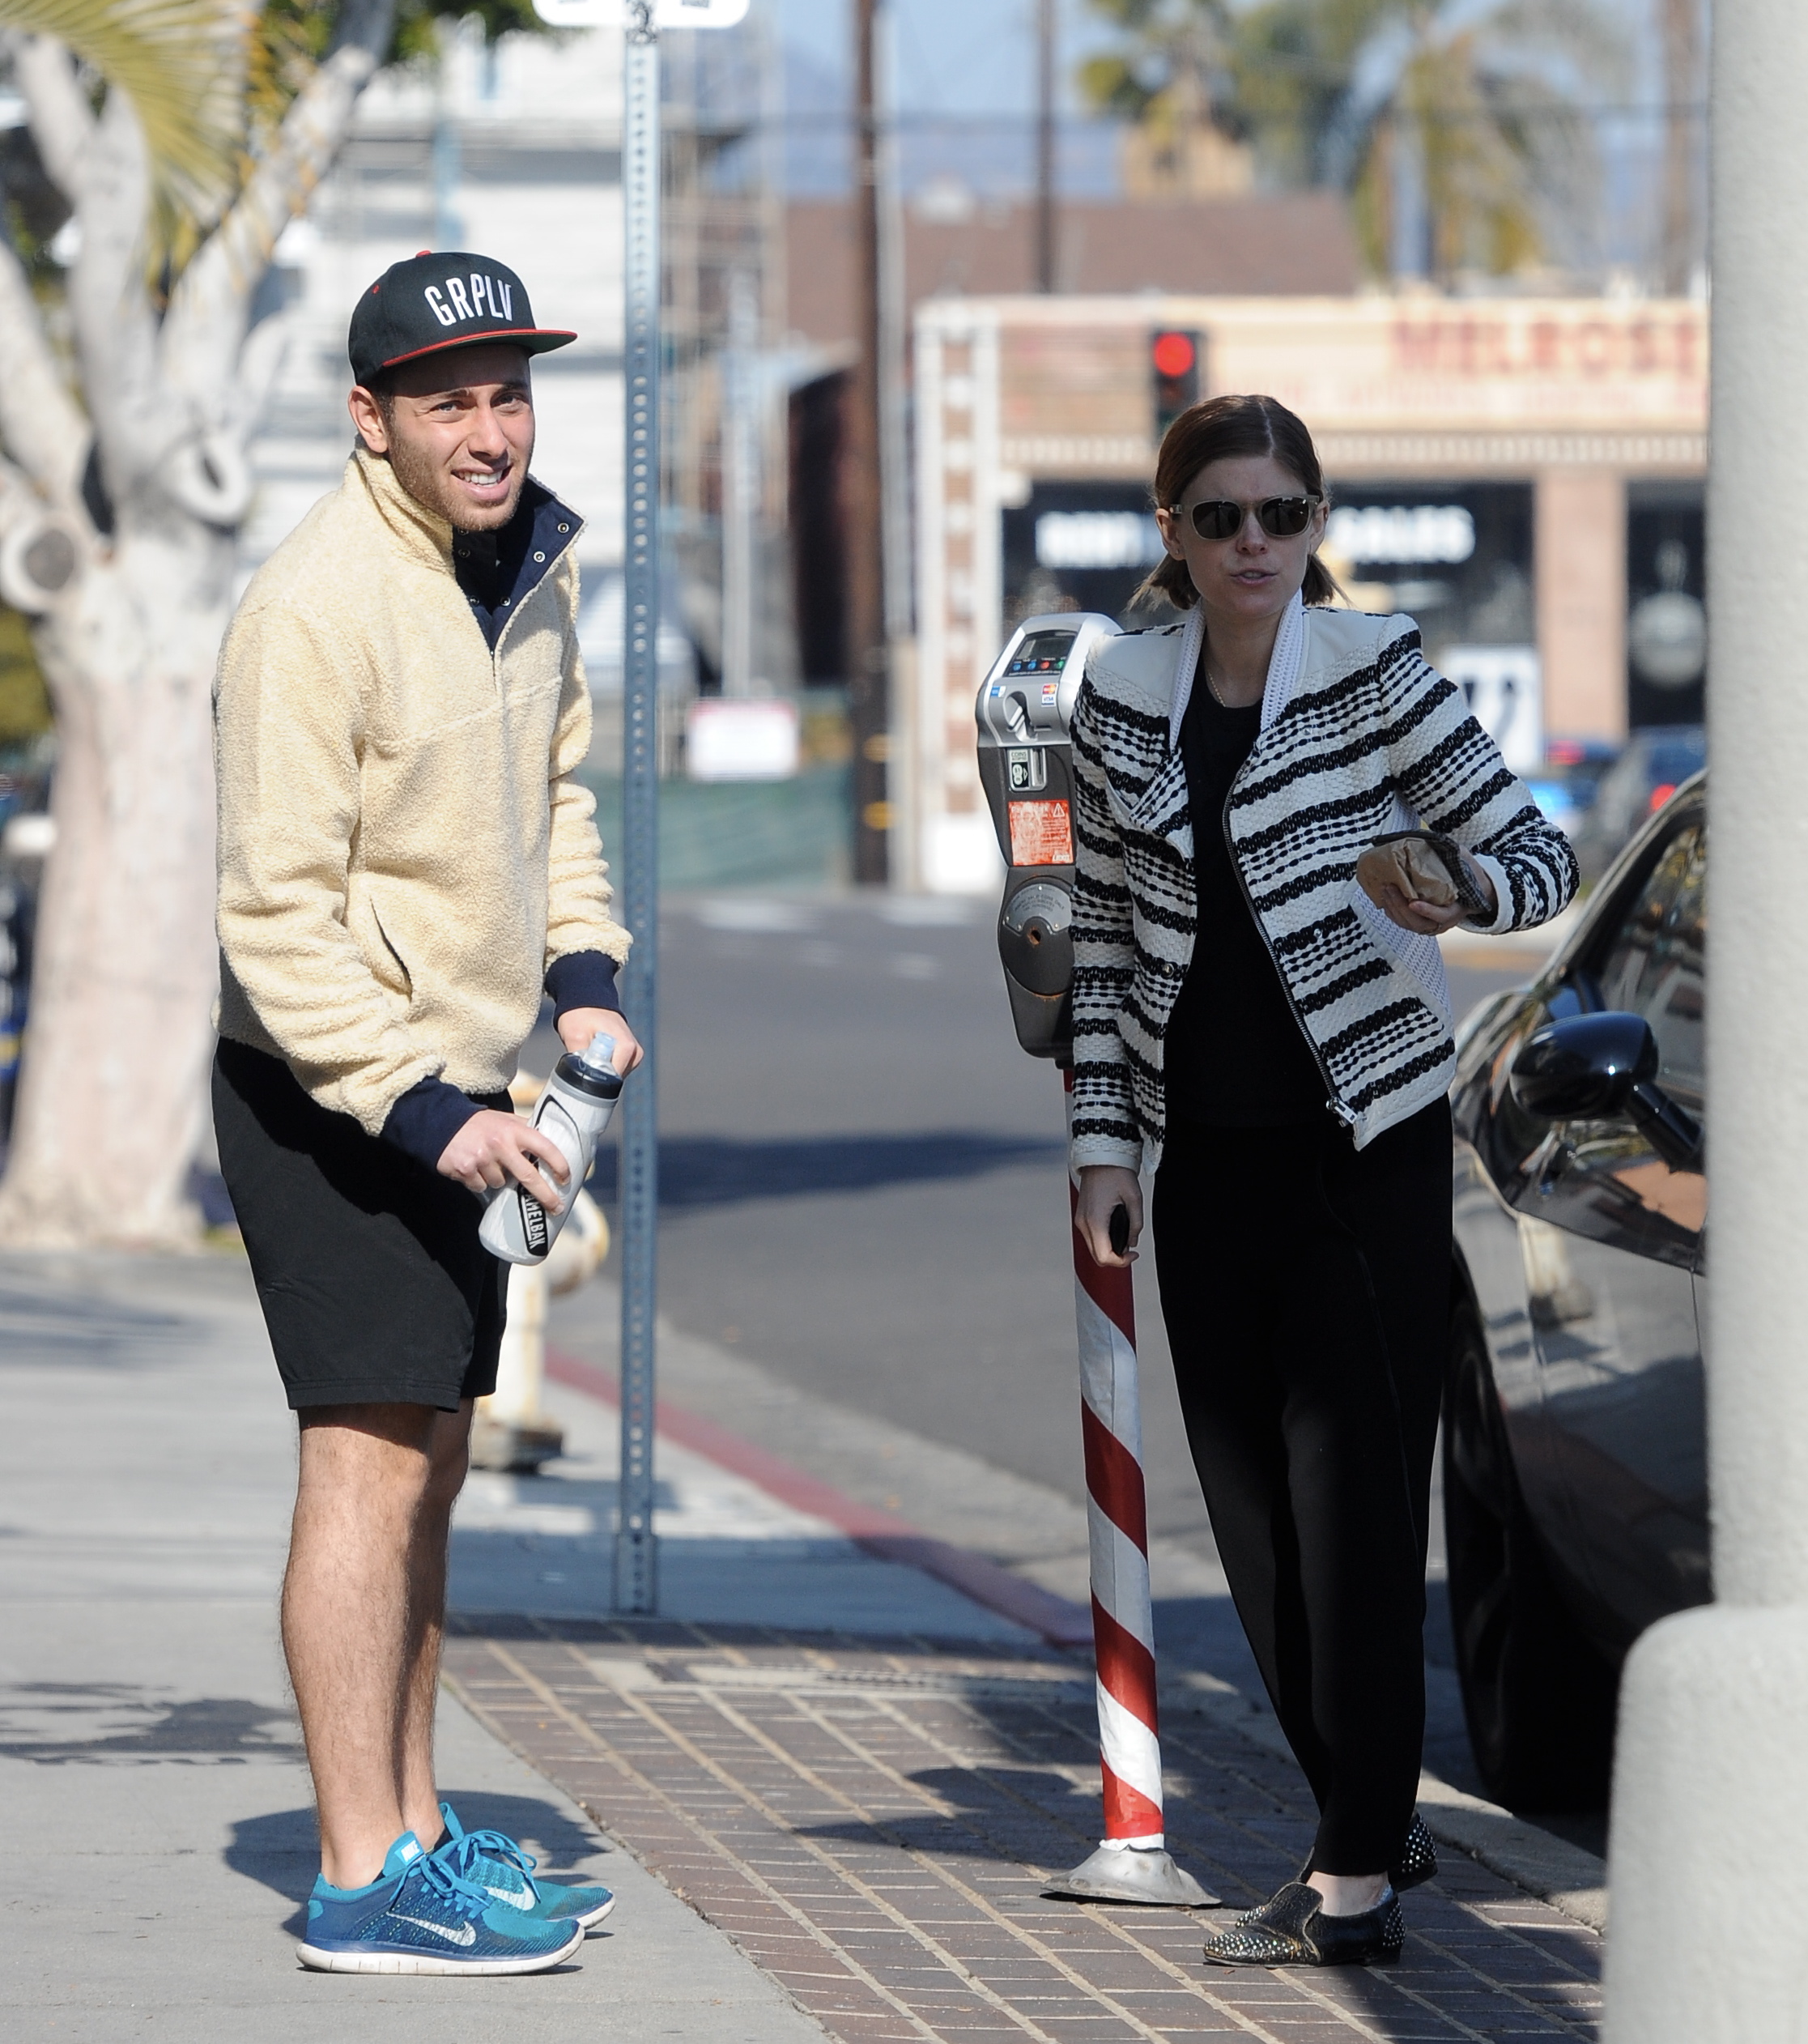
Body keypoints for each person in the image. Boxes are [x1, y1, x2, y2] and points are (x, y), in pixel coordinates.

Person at [1068, 394, 1576, 1969]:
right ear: (1171, 532)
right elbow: (1102, 942)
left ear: (1315, 524)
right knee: (1255, 1535)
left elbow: (1540, 859)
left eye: (1281, 515)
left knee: (1354, 1516)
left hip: (1367, 1149)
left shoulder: (1375, 672)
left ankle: (1350, 1879)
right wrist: (1103, 1143)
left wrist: (1455, 880)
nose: (1254, 544)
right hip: (1204, 1165)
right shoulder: (1119, 695)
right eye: (1220, 516)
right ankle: (1369, 1802)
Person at [212, 251, 640, 1976]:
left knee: (433, 1469)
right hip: (332, 1097)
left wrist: (586, 975)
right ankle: (356, 1877)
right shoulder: (314, 607)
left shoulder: (523, 568)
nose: (489, 430)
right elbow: (273, 916)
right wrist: (420, 1111)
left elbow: (556, 795)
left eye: (508, 394)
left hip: (457, 1086)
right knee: (366, 1469)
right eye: (447, 400)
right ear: (368, 417)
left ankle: (409, 1823)